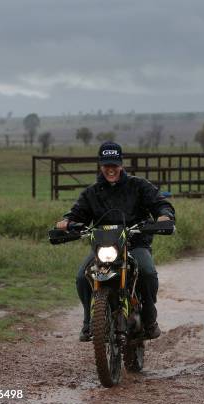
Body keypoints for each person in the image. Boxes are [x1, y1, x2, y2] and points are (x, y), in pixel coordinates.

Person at [55, 141, 175, 341]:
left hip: (135, 244)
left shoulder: (139, 186)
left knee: (146, 271)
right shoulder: (92, 193)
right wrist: (68, 222)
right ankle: (89, 321)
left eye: (114, 165)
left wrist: (164, 215)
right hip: (104, 247)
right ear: (100, 166)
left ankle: (149, 317)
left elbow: (160, 203)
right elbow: (78, 213)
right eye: (106, 165)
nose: (110, 170)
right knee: (82, 276)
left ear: (121, 164)